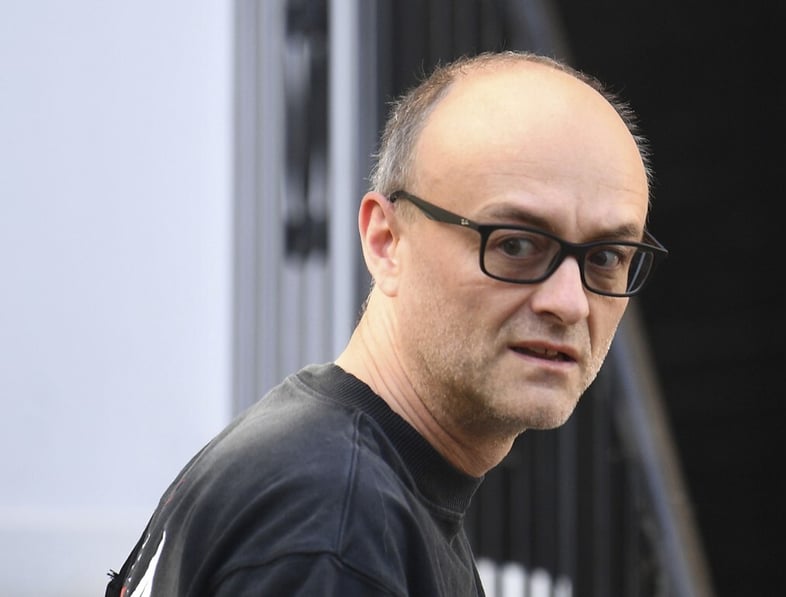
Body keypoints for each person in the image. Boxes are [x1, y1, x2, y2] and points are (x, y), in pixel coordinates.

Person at [106, 50, 667, 596]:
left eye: (606, 257)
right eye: (516, 243)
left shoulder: (332, 480)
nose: (568, 303)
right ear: (386, 240)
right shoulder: (337, 525)